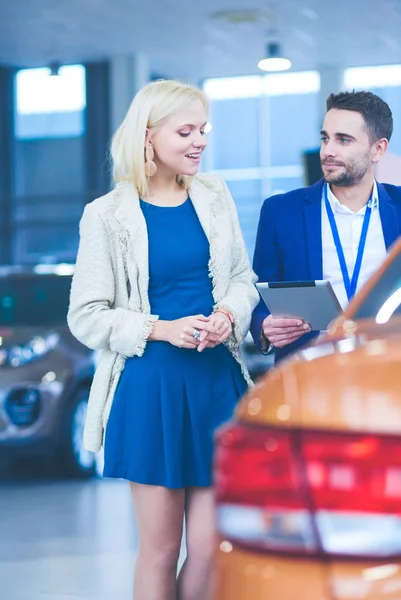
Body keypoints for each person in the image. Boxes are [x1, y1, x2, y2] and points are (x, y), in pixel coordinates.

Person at [67, 79, 258, 600]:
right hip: (150, 388)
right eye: (186, 131)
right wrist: (160, 328)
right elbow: (85, 315)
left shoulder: (215, 197)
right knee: (159, 548)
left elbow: (243, 278)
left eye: (204, 130)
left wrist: (227, 313)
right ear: (148, 137)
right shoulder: (105, 216)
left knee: (214, 542)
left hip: (216, 384)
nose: (199, 141)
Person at [251, 90, 401, 362]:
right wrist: (264, 327)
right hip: (310, 375)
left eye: (343, 140)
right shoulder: (281, 212)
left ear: (378, 149)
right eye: (325, 138)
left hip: (388, 371)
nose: (328, 151)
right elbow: (258, 298)